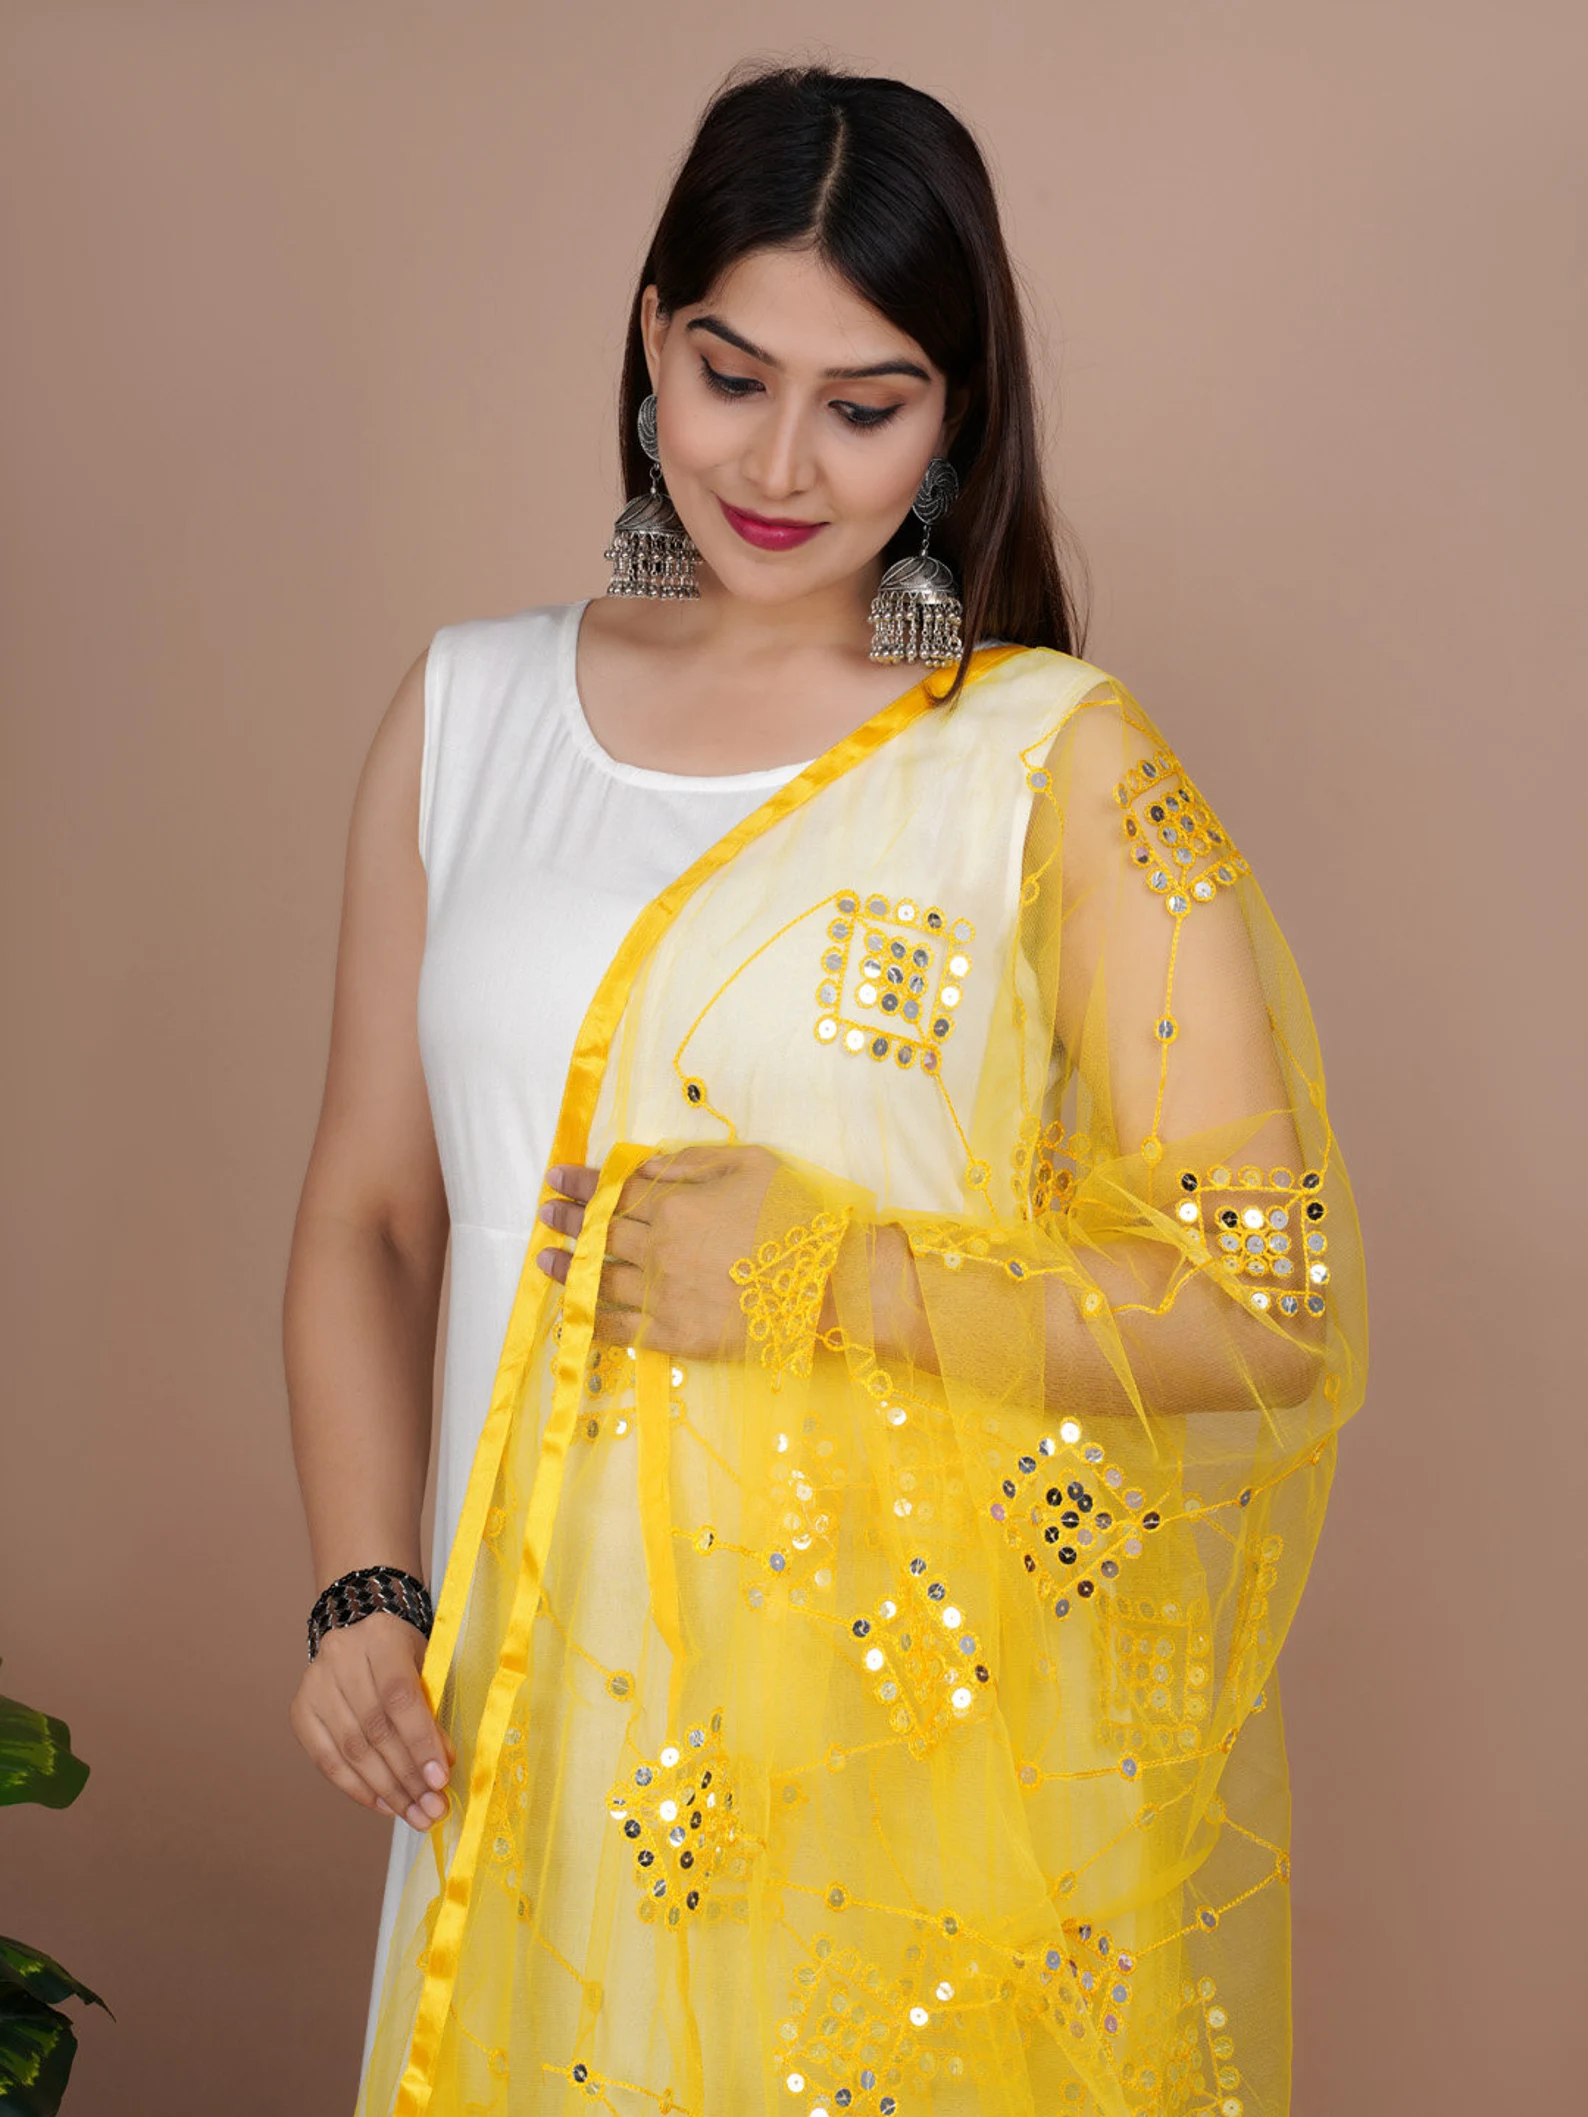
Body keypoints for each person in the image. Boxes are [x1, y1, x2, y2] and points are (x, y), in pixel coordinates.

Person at [284, 63, 1365, 2117]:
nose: (778, 464)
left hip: (901, 1763)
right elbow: (372, 1211)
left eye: (864, 406)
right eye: (730, 376)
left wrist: (828, 1279)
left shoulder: (1042, 761)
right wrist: (363, 1590)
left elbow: (1260, 1301)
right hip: (519, 1721)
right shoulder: (468, 713)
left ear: (956, 419)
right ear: (649, 343)